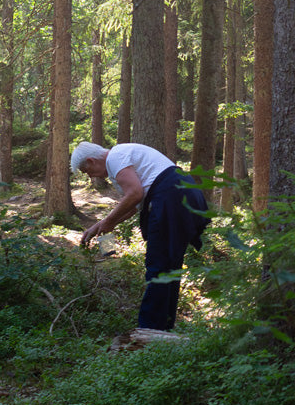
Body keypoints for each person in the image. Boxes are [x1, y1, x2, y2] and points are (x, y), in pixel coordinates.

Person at [72, 141, 211, 331]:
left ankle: (149, 330)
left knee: (158, 265)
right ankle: (164, 327)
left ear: (91, 160)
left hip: (171, 197)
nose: (89, 176)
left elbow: (135, 194)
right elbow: (134, 206)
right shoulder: (120, 160)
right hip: (182, 194)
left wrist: (108, 222)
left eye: (86, 170)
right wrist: (102, 225)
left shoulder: (115, 157)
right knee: (169, 265)